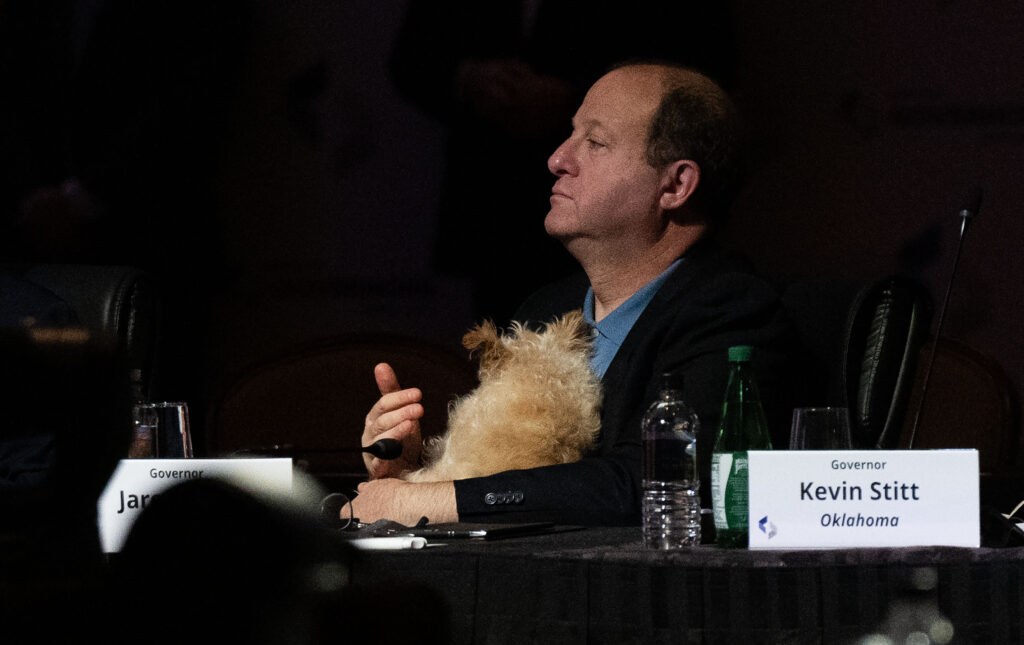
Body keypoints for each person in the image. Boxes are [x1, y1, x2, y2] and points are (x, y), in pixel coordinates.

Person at [347, 62, 797, 527]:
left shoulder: (734, 315)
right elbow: (511, 478)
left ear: (676, 184)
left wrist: (430, 501)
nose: (558, 158)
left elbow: (649, 480)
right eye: (570, 134)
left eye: (595, 142)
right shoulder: (542, 311)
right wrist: (413, 470)